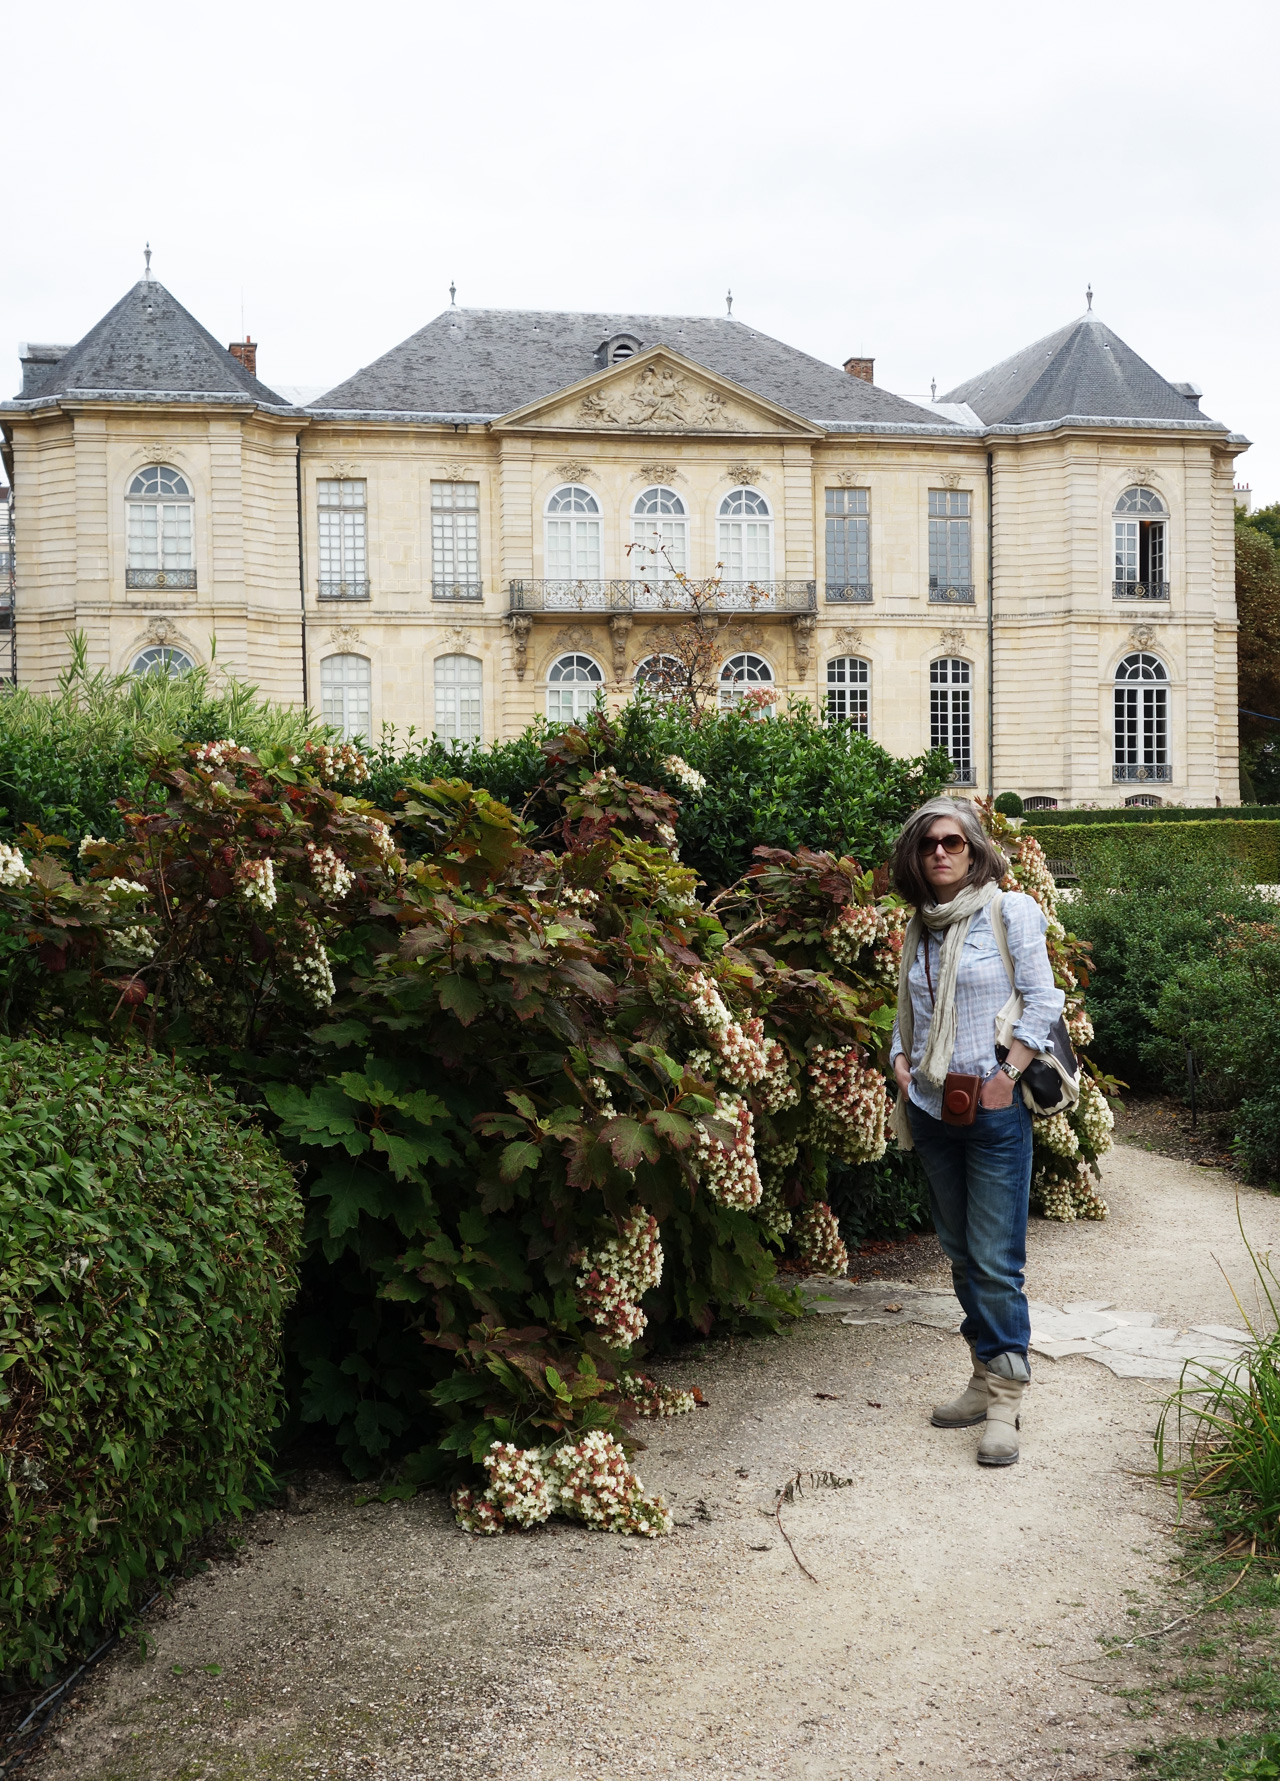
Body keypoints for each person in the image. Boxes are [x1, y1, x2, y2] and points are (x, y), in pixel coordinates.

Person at [887, 796, 1063, 1467]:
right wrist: (900, 1061)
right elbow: (909, 1011)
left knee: (995, 1259)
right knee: (961, 1254)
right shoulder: (919, 926)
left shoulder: (1006, 910)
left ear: (974, 849)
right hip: (933, 1112)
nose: (940, 851)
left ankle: (1006, 1401)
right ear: (915, 852)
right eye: (929, 842)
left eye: (952, 841)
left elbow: (1046, 997)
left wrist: (1005, 1075)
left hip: (992, 1110)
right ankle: (981, 1372)